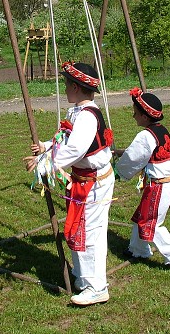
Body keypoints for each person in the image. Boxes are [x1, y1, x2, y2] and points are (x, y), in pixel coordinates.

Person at [24, 61, 115, 306]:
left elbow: (75, 148)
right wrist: (47, 146)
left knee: (89, 232)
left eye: (66, 84)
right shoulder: (77, 111)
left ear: (75, 87)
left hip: (93, 181)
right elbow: (65, 138)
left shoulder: (87, 117)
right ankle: (83, 276)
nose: (64, 89)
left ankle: (96, 287)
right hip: (84, 179)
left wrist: (45, 163)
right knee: (79, 228)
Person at [113, 87, 170, 268]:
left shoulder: (145, 136)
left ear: (145, 117)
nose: (133, 116)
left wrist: (117, 172)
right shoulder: (160, 129)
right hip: (166, 182)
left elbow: (134, 158)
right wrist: (121, 152)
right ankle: (138, 249)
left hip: (160, 185)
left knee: (150, 222)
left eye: (135, 113)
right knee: (142, 216)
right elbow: (146, 154)